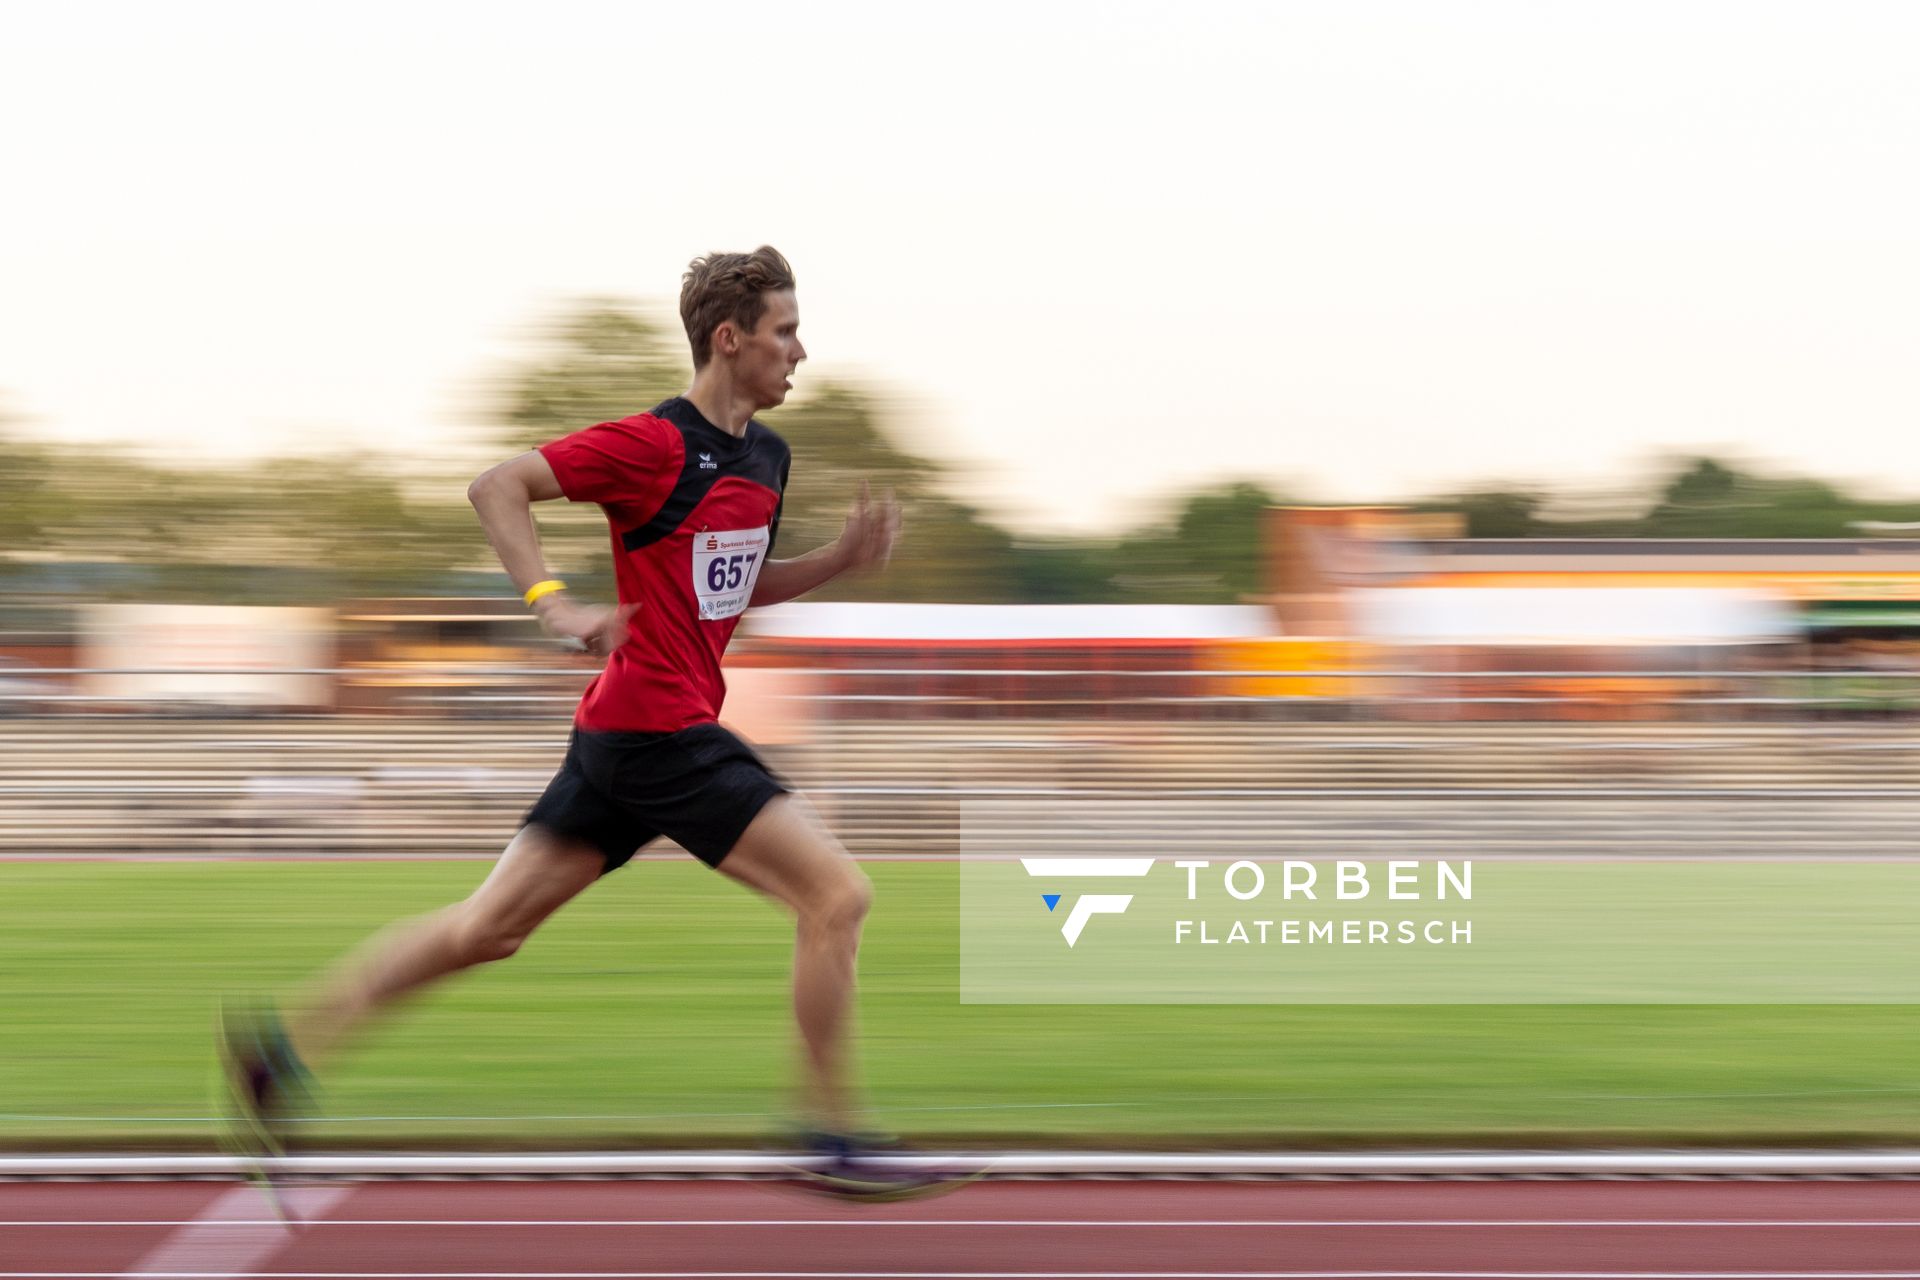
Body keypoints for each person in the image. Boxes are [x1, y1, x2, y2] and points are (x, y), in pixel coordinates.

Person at [221, 246, 933, 1198]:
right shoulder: (652, 445)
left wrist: (837, 559)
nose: (800, 352)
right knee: (836, 898)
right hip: (659, 730)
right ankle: (828, 1131)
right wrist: (553, 601)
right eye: (785, 331)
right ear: (731, 340)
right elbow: (496, 486)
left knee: (487, 930)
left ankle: (281, 1050)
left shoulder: (768, 456)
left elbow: (735, 583)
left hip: (623, 736)